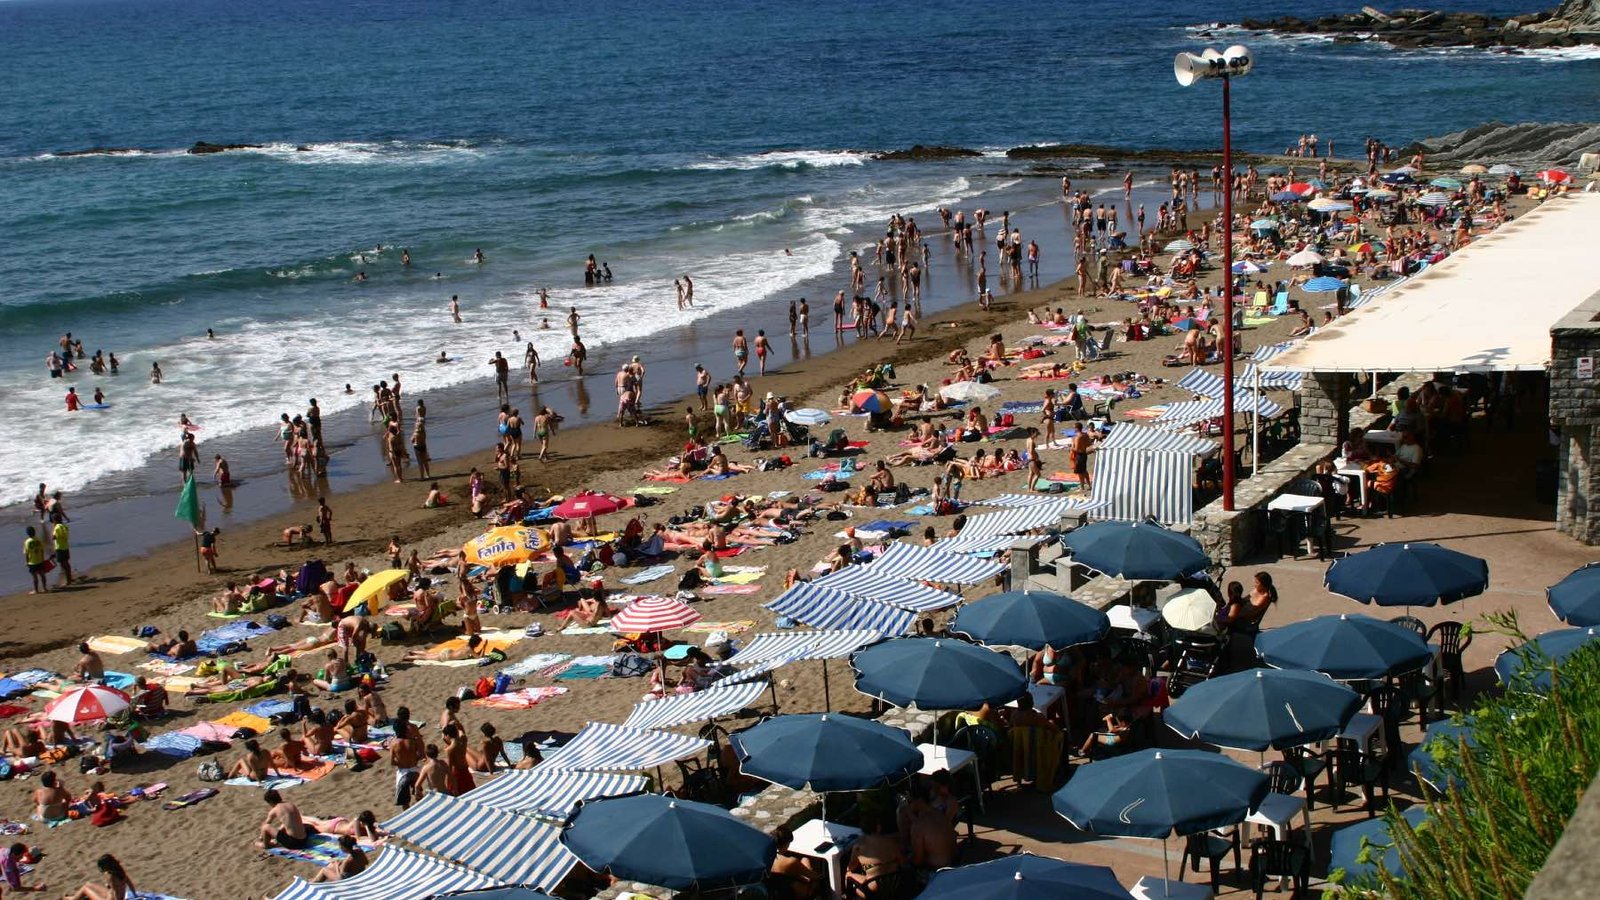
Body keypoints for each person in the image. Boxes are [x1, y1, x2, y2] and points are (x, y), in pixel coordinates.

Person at [63, 854, 133, 900]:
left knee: (85, 888)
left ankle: (72, 898)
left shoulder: (111, 876)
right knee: (88, 884)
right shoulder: (121, 871)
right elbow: (130, 883)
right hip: (113, 896)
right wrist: (134, 894)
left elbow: (114, 891)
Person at [23, 526, 48, 594]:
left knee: (34, 576)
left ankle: (36, 590)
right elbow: (42, 550)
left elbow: (26, 553)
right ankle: (45, 588)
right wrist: (42, 559)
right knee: (42, 574)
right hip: (39, 560)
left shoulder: (27, 542)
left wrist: (27, 562)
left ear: (27, 534)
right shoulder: (39, 540)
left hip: (32, 561)